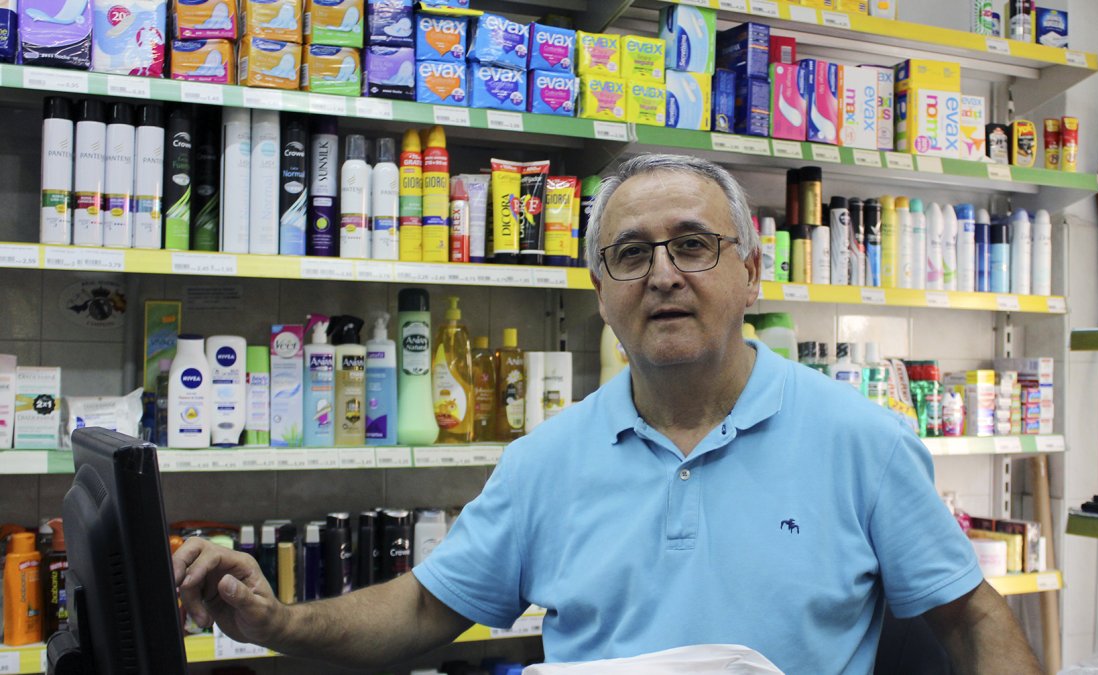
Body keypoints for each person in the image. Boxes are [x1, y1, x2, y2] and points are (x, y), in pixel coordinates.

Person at [173, 154, 1041, 672]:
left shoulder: (861, 441)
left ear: (750, 273)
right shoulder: (544, 460)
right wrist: (275, 620)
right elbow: (422, 611)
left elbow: (972, 619)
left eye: (693, 245)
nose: (663, 274)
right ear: (601, 294)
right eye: (630, 253)